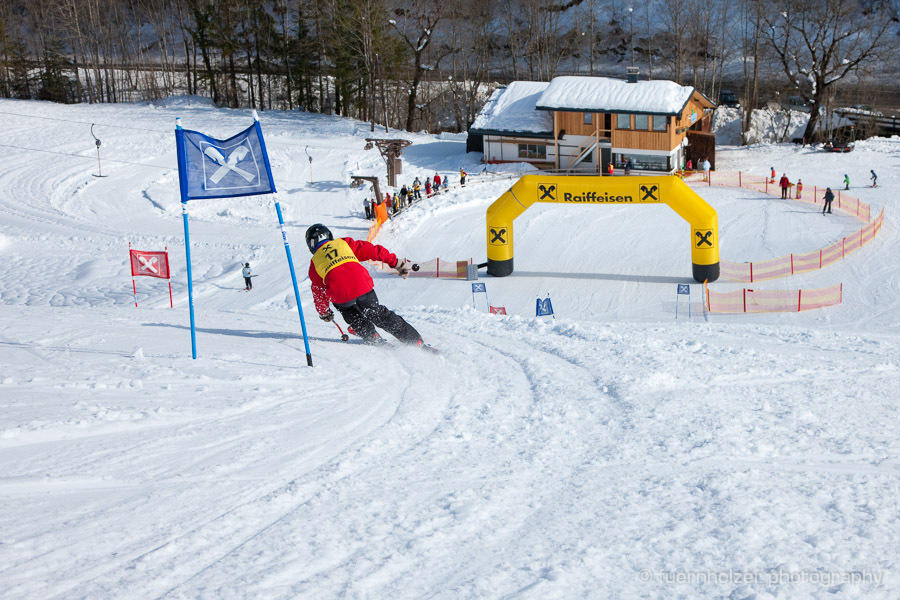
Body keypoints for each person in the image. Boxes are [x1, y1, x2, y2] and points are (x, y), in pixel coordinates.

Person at [305, 224, 429, 348]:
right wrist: (394, 262)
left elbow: (318, 291)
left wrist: (324, 312)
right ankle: (413, 339)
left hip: (342, 295)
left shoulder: (314, 263)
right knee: (377, 313)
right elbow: (372, 251)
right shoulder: (343, 243)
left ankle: (370, 334)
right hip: (362, 285)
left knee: (350, 313)